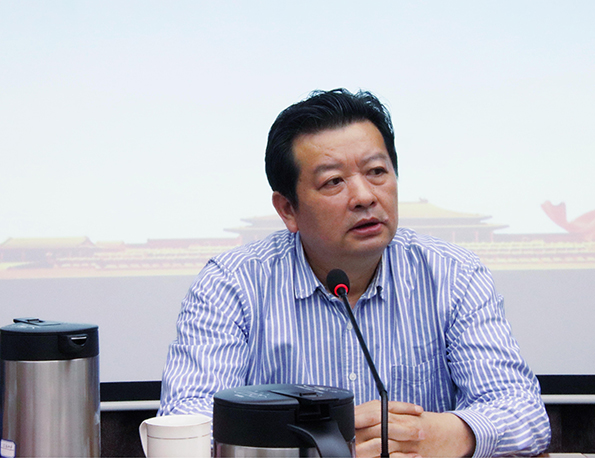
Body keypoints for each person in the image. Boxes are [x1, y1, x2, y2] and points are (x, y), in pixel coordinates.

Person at [159, 88, 551, 457]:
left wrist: (449, 434)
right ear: (288, 210)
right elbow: (184, 425)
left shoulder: (453, 275)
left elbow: (523, 412)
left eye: (377, 171)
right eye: (333, 181)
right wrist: (316, 447)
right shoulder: (232, 284)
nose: (364, 196)